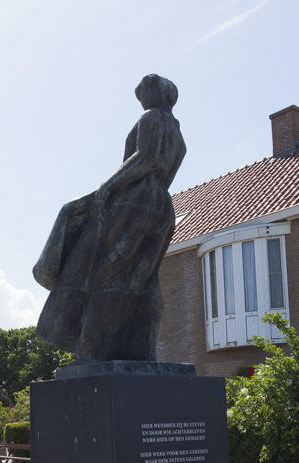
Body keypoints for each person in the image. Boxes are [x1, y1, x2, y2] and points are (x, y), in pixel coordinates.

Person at [33, 74, 186, 362]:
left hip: (135, 199)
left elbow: (146, 157)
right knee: (146, 281)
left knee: (105, 272)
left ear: (159, 92)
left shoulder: (152, 117)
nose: (141, 99)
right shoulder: (178, 133)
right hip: (163, 205)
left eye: (144, 92)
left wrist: (107, 186)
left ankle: (95, 350)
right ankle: (142, 351)